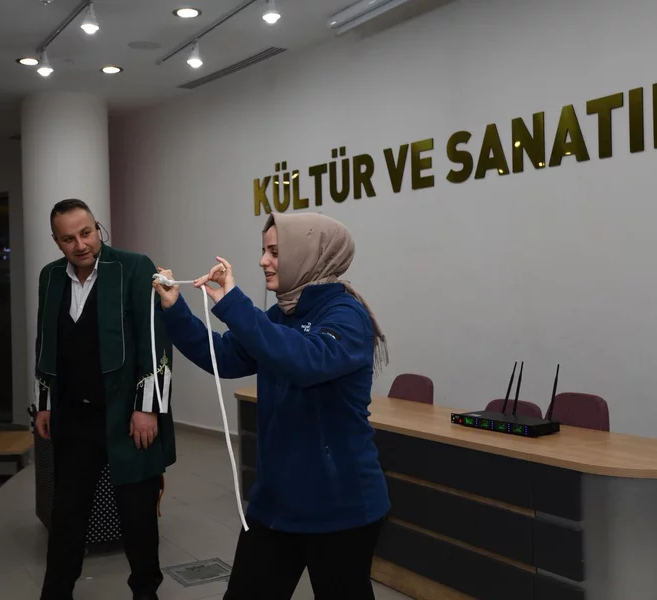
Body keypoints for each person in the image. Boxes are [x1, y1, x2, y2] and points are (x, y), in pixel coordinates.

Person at [153, 212, 391, 600]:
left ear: (309, 254)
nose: (263, 261)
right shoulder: (282, 313)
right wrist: (175, 309)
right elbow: (225, 356)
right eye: (264, 251)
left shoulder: (347, 315)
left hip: (340, 507)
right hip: (277, 501)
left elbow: (304, 360)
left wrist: (234, 304)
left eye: (275, 252)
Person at [34, 199, 175, 600]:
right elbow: (45, 342)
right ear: (56, 241)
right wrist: (44, 402)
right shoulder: (50, 277)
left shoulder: (133, 268)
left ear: (97, 228)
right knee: (66, 515)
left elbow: (155, 340)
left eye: (86, 233)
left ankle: (145, 594)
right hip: (75, 419)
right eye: (69, 239)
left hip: (128, 418)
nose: (80, 245)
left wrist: (147, 409)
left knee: (138, 516)